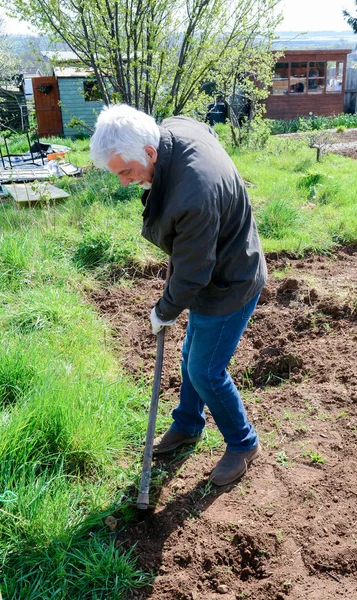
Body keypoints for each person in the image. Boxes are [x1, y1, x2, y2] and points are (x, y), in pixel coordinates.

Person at [90, 104, 267, 486]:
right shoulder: (171, 130)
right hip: (218, 263)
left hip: (230, 282)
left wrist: (164, 310)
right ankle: (188, 424)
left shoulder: (194, 196)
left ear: (150, 152)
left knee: (205, 369)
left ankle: (243, 443)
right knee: (191, 356)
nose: (123, 182)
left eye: (125, 172)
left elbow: (192, 275)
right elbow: (205, 131)